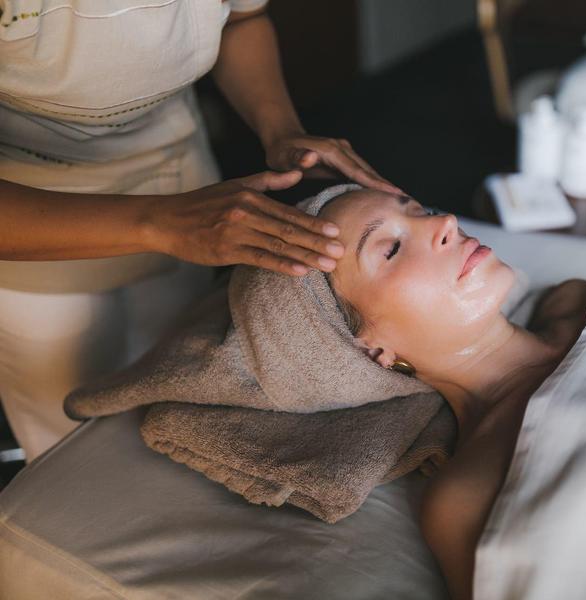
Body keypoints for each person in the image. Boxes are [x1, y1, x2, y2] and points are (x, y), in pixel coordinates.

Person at [0, 0, 400, 460]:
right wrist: (161, 223)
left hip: (182, 178)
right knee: (72, 452)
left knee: (173, 396)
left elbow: (242, 18)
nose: (447, 221)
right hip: (35, 218)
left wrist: (280, 129)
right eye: (389, 247)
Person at [315, 187, 586, 599]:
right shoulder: (467, 497)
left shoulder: (579, 302)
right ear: (372, 349)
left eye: (424, 209)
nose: (444, 221)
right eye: (392, 248)